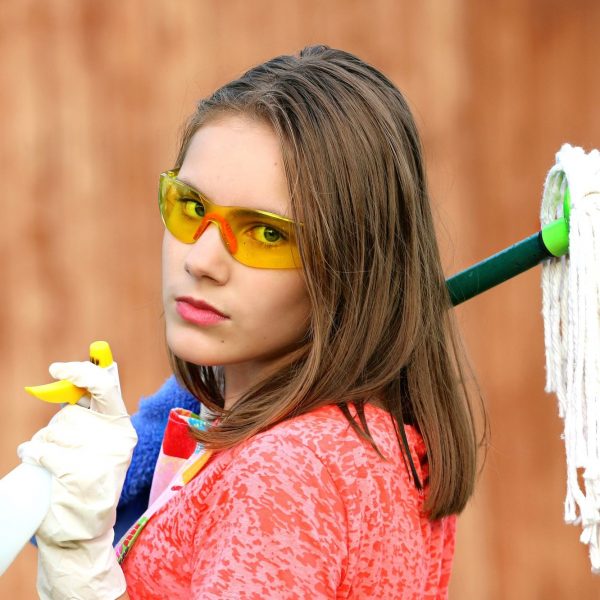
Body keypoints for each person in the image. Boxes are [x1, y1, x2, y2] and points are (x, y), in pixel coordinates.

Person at [18, 45, 484, 599]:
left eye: (266, 233)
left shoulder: (287, 475)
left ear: (350, 267)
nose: (201, 260)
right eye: (192, 207)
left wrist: (80, 574)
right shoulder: (375, 441)